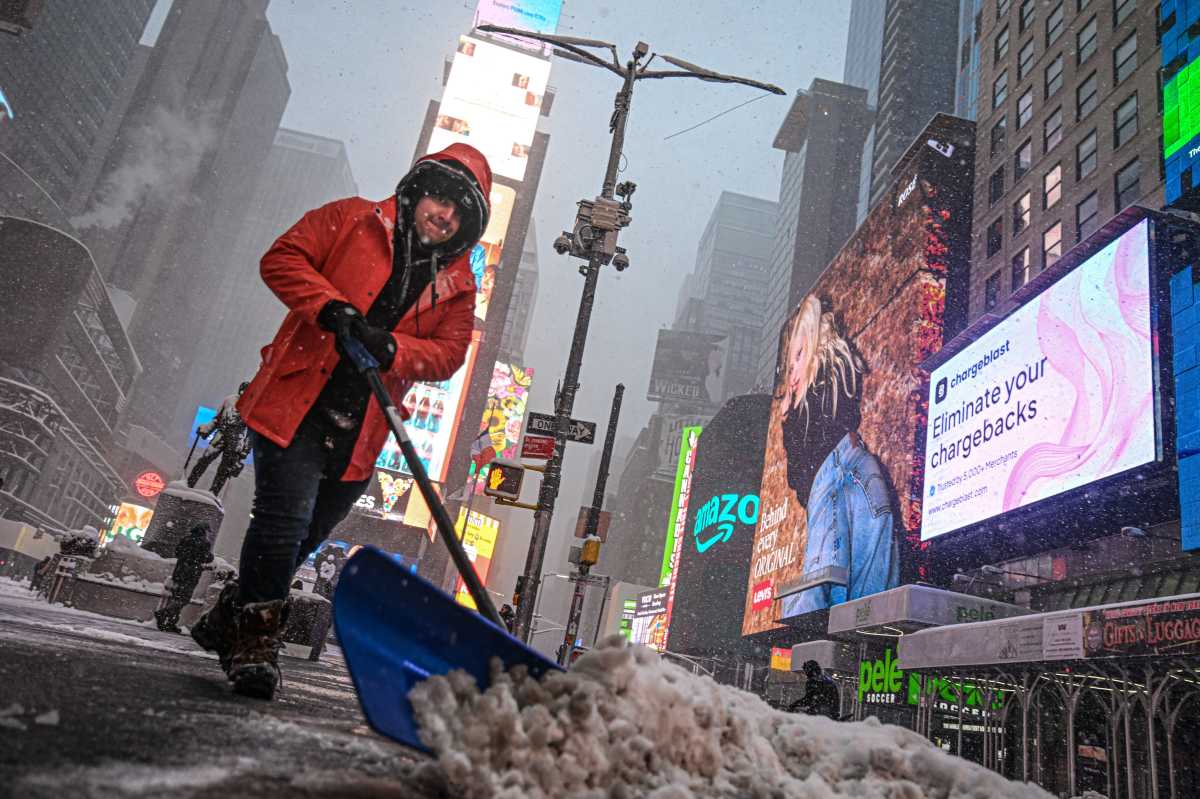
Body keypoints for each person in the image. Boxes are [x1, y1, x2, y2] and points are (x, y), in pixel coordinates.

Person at [190, 143, 492, 700]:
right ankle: (255, 647)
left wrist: (392, 347)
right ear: (418, 190)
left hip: (363, 428)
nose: (443, 214)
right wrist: (330, 307)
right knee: (284, 519)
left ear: (466, 225)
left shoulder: (458, 286)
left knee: (306, 534)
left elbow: (448, 354)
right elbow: (281, 258)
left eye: (458, 211)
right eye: (439, 198)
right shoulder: (353, 219)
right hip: (294, 403)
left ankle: (226, 617)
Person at [777, 295, 900, 617]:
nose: (793, 371)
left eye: (799, 355)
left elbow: (798, 478)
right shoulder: (835, 376)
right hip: (857, 462)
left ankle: (823, 642)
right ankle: (861, 644)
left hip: (835, 471)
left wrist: (789, 415)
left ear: (817, 343)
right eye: (789, 365)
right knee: (872, 591)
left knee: (820, 584)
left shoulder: (823, 382)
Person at [187, 382, 252, 496]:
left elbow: (251, 433)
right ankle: (189, 484)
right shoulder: (229, 400)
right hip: (222, 435)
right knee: (204, 460)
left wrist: (245, 451)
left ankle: (213, 493)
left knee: (224, 470)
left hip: (236, 441)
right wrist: (206, 429)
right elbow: (217, 419)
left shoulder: (252, 406)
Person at [154, 524, 214, 633]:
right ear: (204, 531)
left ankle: (170, 623)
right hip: (191, 574)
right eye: (208, 532)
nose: (208, 534)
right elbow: (207, 558)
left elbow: (177, 553)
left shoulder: (186, 539)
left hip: (179, 573)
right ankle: (164, 613)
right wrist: (210, 557)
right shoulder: (204, 543)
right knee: (184, 598)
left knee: (177, 596)